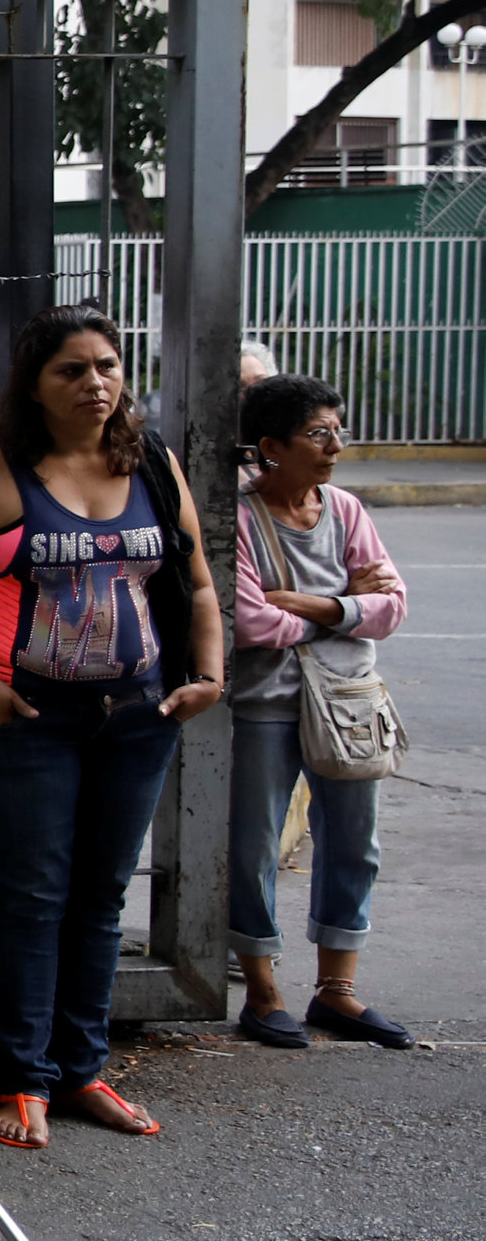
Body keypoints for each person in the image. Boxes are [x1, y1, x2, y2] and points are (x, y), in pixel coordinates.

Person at [0, 302, 222, 1151]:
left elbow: (196, 581)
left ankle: (81, 1070)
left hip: (138, 714)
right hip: (28, 716)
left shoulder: (149, 462)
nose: (95, 383)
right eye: (71, 370)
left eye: (107, 366)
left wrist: (209, 676)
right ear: (34, 385)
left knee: (101, 897)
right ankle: (23, 1079)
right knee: (35, 895)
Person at [228, 374, 414, 1050]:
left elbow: (392, 607)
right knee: (252, 848)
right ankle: (263, 990)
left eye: (339, 430)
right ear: (271, 446)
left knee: (354, 844)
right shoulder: (240, 518)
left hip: (347, 702)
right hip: (267, 704)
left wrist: (312, 603)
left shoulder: (347, 511)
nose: (334, 446)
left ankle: (337, 991)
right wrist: (348, 606)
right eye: (318, 433)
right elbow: (249, 622)